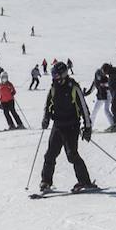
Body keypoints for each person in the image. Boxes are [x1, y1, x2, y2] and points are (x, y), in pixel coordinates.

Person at [39, 62, 96, 193]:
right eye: (53, 75)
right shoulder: (54, 88)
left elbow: (84, 108)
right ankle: (46, 181)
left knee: (72, 155)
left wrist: (87, 127)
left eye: (56, 75)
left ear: (63, 74)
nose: (54, 77)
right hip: (58, 125)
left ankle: (85, 181)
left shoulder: (73, 87)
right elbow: (48, 106)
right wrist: (46, 118)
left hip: (72, 126)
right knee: (50, 154)